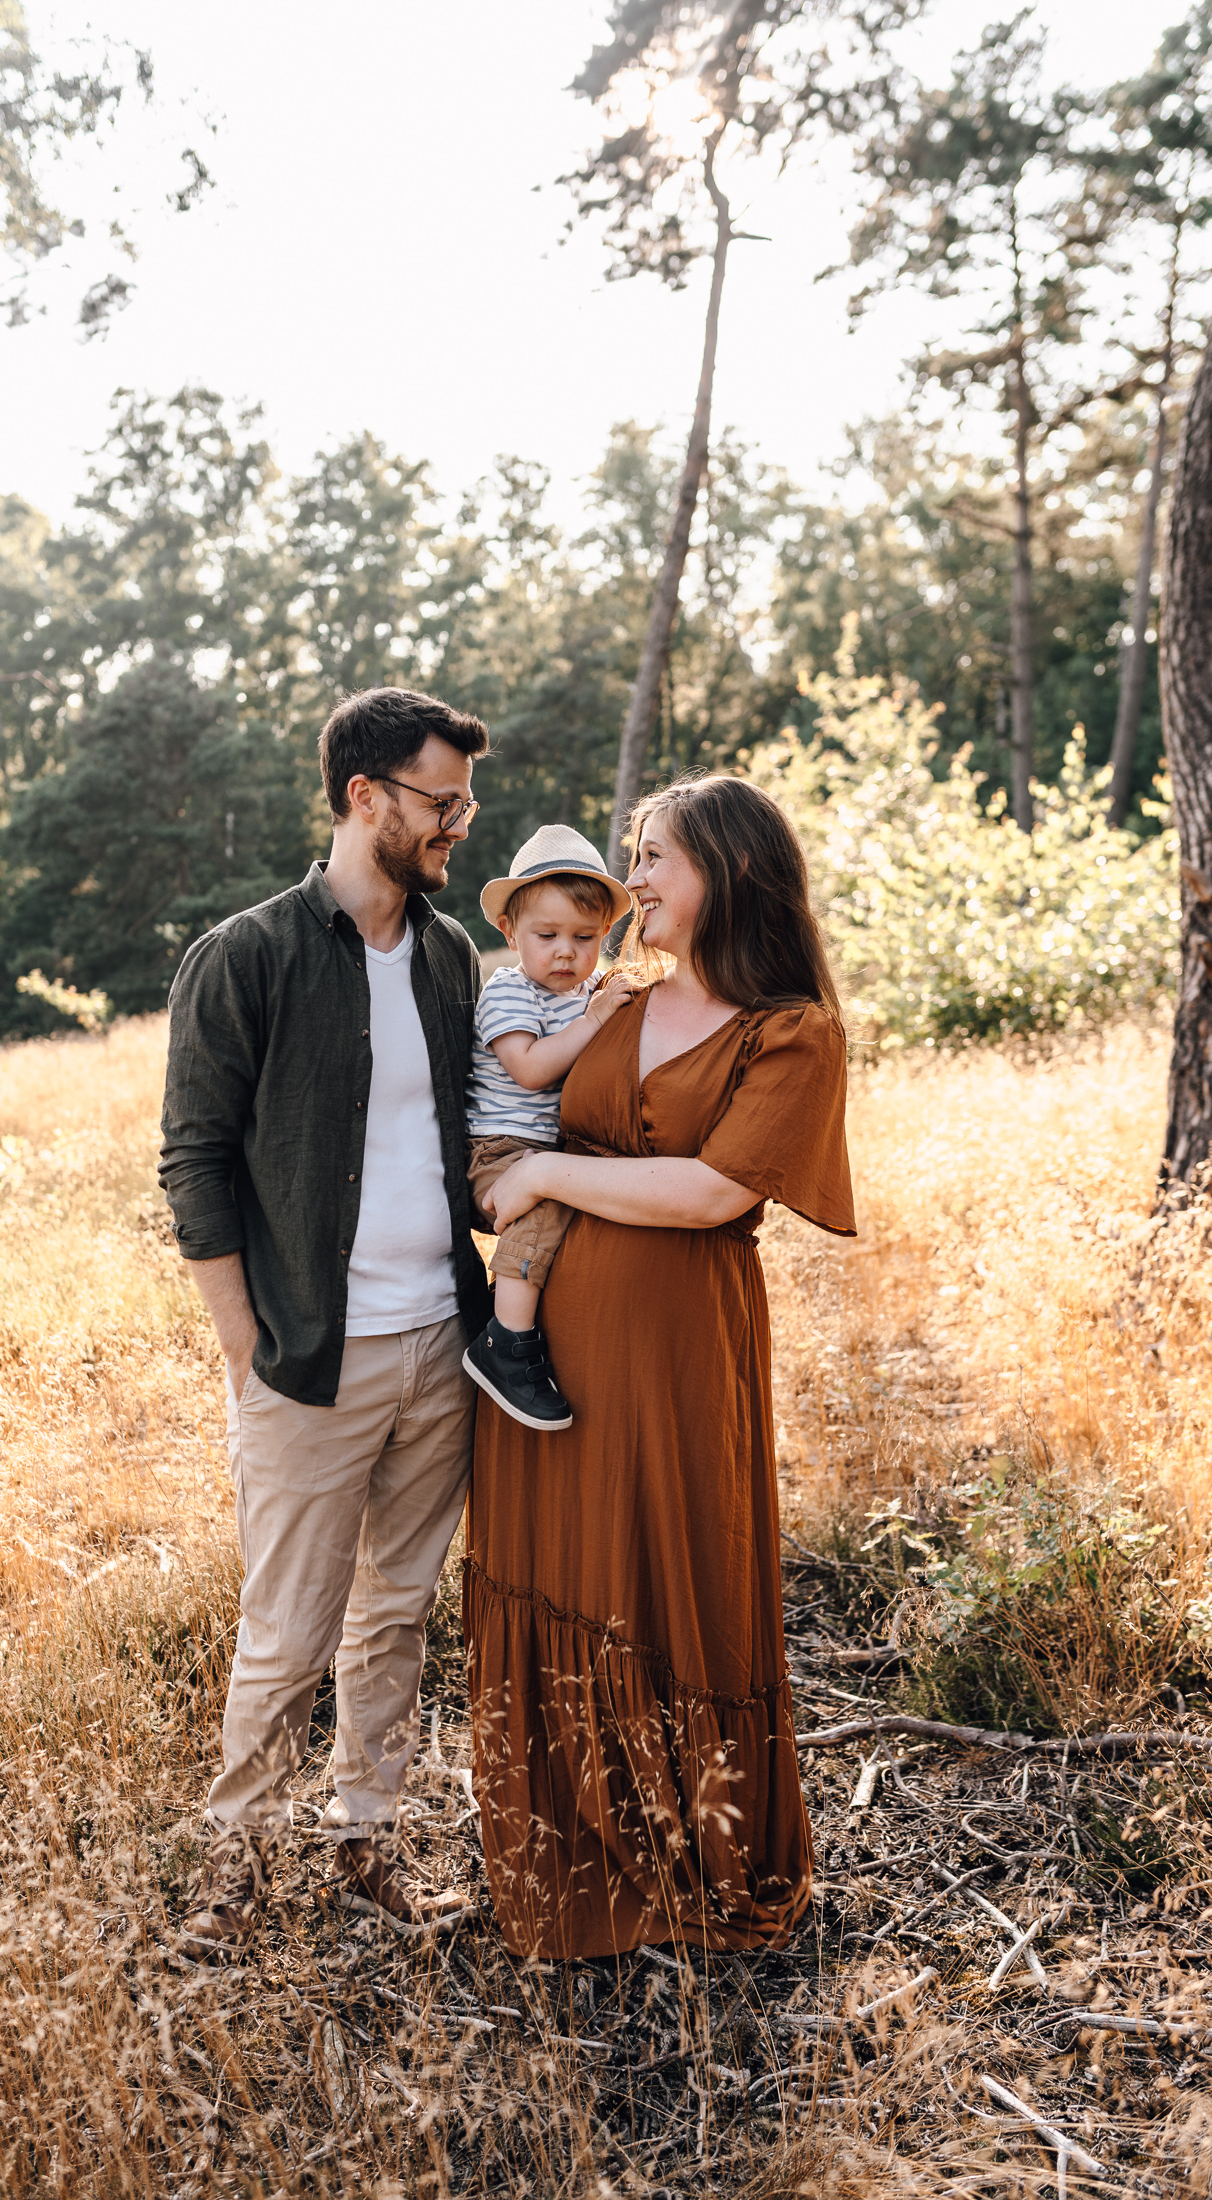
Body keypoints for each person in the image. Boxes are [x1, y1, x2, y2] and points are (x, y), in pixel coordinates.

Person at [466, 773, 856, 1960]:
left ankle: (700, 1856)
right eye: (633, 854)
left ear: (729, 870)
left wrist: (540, 1182)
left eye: (655, 856)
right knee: (560, 1568)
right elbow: (517, 1104)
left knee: (672, 1570)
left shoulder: (791, 1028)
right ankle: (571, 1859)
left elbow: (710, 1190)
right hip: (539, 1358)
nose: (632, 879)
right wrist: (514, 1178)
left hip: (681, 1348)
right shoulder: (616, 1001)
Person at [158, 685, 493, 1955]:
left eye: (464, 800)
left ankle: (365, 1847)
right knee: (287, 1630)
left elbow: (469, 1133)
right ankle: (229, 1878)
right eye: (441, 800)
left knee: (397, 1611)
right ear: (367, 797)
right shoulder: (244, 956)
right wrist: (247, 1347)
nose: (459, 823)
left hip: (439, 1350)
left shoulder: (455, 956)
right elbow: (192, 1162)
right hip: (307, 1359)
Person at [462, 825, 634, 1430]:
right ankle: (506, 1341)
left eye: (584, 938)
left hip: (546, 1145)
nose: (566, 952)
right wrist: (592, 1021)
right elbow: (531, 1071)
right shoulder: (509, 992)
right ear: (509, 933)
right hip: (500, 1149)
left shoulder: (593, 992)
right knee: (546, 1207)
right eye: (547, 935)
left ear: (605, 934)